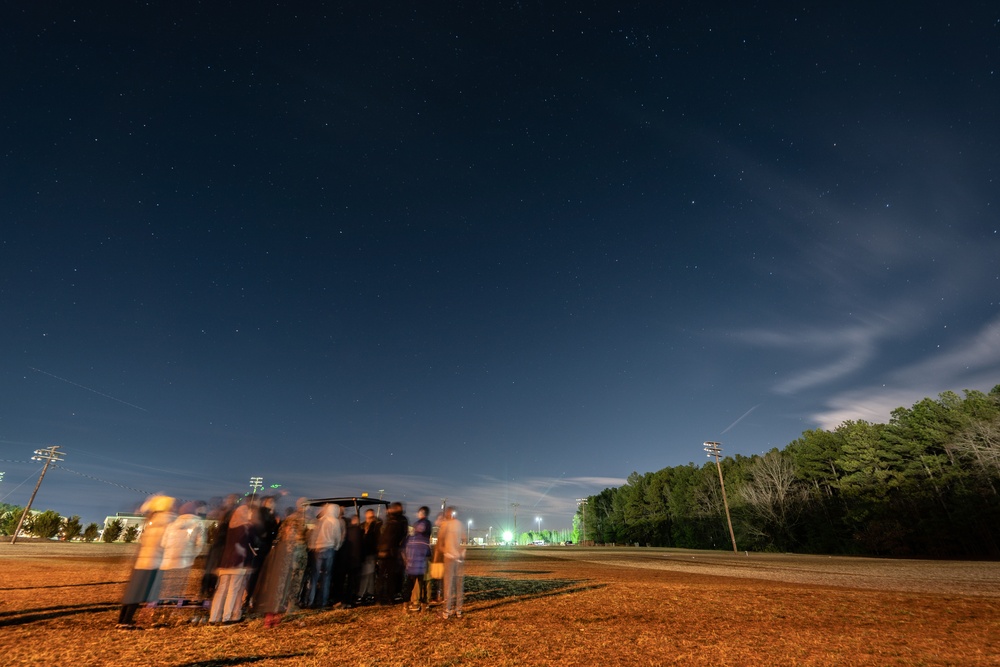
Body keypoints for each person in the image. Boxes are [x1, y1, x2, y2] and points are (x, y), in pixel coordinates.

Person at [117, 494, 176, 629]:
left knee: (133, 592)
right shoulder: (168, 521)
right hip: (154, 563)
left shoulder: (152, 521)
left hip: (141, 562)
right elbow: (167, 543)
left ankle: (123, 620)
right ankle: (129, 622)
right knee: (146, 594)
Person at [255, 497, 310, 628]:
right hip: (295, 554)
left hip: (286, 553)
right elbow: (293, 537)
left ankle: (275, 613)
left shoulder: (290, 519)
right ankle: (284, 609)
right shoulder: (300, 519)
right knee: (291, 582)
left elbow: (279, 536)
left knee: (282, 583)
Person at [209, 501, 258, 624]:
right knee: (233, 590)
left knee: (221, 590)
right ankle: (227, 617)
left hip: (225, 562)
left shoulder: (231, 527)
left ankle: (213, 617)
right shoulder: (247, 527)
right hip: (239, 562)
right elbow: (254, 543)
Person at [158, 501, 207, 607]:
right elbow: (200, 542)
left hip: (169, 558)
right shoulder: (198, 523)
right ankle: (175, 598)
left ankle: (162, 598)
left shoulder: (173, 523)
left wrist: (169, 551)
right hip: (185, 558)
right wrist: (193, 554)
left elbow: (163, 542)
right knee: (180, 580)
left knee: (167, 579)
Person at [304, 503, 344, 608]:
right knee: (326, 576)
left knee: (315, 576)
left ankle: (310, 601)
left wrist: (313, 546)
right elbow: (337, 536)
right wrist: (337, 547)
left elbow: (314, 535)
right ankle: (323, 601)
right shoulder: (335, 521)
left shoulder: (320, 520)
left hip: (318, 549)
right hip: (329, 549)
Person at [436, 506, 466, 619]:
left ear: (448, 514)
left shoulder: (445, 524)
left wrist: (446, 552)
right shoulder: (460, 524)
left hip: (449, 558)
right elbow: (464, 540)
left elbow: (440, 543)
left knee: (448, 585)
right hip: (459, 559)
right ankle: (458, 611)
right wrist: (461, 553)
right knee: (459, 585)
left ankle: (446, 611)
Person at [377, 502, 408, 604]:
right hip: (390, 551)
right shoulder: (394, 520)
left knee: (389, 576)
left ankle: (387, 596)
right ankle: (385, 596)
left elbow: (392, 536)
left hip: (390, 552)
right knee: (387, 576)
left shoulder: (395, 521)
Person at [402, 505, 432, 612]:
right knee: (417, 584)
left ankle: (418, 604)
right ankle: (411, 604)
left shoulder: (424, 525)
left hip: (416, 562)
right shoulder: (421, 533)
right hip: (416, 562)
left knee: (419, 583)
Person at [356, 508, 381, 604]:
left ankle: (361, 594)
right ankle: (370, 593)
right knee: (369, 575)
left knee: (367, 575)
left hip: (370, 553)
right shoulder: (364, 526)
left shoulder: (375, 527)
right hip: (366, 553)